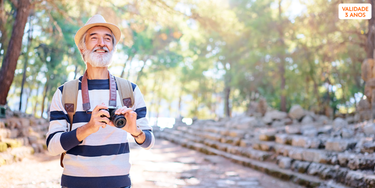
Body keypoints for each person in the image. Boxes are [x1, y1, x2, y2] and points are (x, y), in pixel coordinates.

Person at [46, 14, 155, 188]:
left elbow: (149, 142)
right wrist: (88, 128)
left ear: (112, 48)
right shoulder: (65, 92)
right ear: (82, 48)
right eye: (94, 38)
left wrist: (135, 132)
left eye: (107, 39)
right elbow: (52, 146)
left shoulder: (130, 90)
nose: (101, 43)